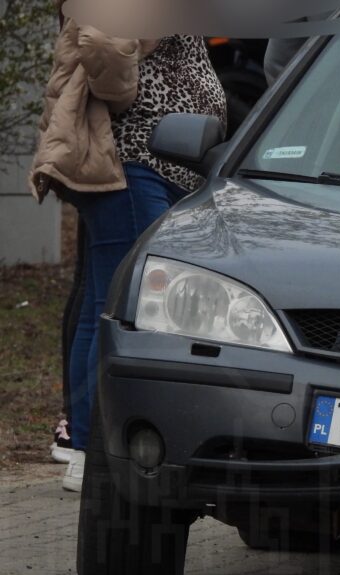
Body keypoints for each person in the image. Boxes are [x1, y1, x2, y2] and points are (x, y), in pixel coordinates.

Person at [30, 17, 226, 492]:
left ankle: (84, 446)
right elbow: (103, 39)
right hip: (137, 158)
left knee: (104, 301)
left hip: (148, 162)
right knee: (124, 306)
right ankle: (95, 450)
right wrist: (126, 95)